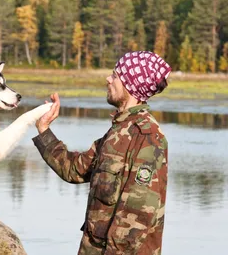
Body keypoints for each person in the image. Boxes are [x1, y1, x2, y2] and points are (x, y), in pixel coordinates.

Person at [33, 51, 170, 255]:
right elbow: (74, 169)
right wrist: (44, 130)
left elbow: (136, 218)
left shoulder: (147, 137)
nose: (108, 79)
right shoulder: (118, 132)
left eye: (115, 75)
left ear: (130, 85)